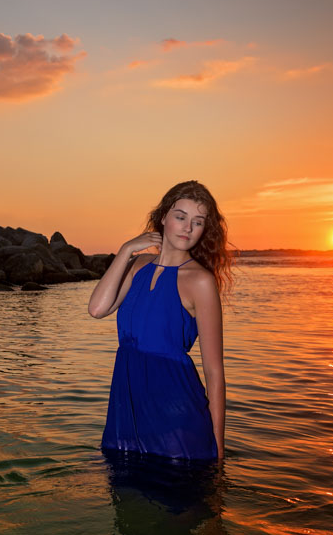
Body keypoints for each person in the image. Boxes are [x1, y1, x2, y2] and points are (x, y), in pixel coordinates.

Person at [88, 180, 233, 461]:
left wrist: (218, 451)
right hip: (128, 409)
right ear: (164, 216)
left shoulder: (200, 281)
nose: (188, 228)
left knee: (177, 500)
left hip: (176, 417)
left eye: (198, 222)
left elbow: (215, 373)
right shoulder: (138, 266)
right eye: (180, 217)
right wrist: (126, 250)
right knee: (127, 499)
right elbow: (97, 309)